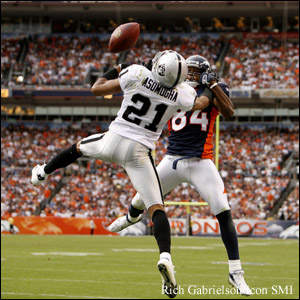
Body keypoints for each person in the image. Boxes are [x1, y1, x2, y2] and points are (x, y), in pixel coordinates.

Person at [30, 50, 214, 299]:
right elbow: (201, 103)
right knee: (156, 208)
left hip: (112, 141)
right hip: (139, 153)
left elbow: (97, 88)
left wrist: (118, 68)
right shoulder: (182, 93)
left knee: (77, 149)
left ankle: (42, 172)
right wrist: (208, 87)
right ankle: (165, 257)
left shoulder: (137, 72)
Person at [108, 55, 252, 296]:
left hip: (201, 161)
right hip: (172, 158)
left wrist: (214, 85)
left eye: (196, 71)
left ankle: (235, 272)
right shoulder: (176, 88)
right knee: (142, 196)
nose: (191, 75)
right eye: (189, 70)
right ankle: (131, 218)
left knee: (223, 211)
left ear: (205, 72)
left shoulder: (213, 89)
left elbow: (228, 112)